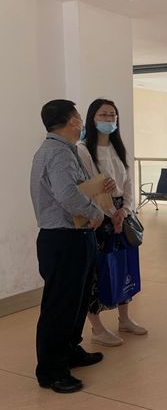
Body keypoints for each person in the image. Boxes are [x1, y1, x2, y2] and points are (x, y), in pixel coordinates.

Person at [30, 99, 111, 393]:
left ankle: (69, 351)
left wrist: (100, 189)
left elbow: (77, 188)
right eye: (78, 116)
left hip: (75, 235)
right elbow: (67, 195)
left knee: (77, 300)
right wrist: (95, 213)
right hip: (63, 238)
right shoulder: (57, 153)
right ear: (72, 121)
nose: (81, 121)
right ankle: (51, 370)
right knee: (61, 305)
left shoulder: (66, 150)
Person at [77, 98, 147, 347]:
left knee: (125, 264)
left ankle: (124, 318)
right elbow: (92, 187)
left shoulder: (118, 147)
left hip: (121, 213)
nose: (108, 119)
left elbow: (127, 182)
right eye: (103, 115)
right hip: (99, 214)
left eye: (112, 115)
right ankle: (96, 327)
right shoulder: (84, 150)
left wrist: (125, 210)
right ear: (92, 118)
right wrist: (110, 213)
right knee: (98, 269)